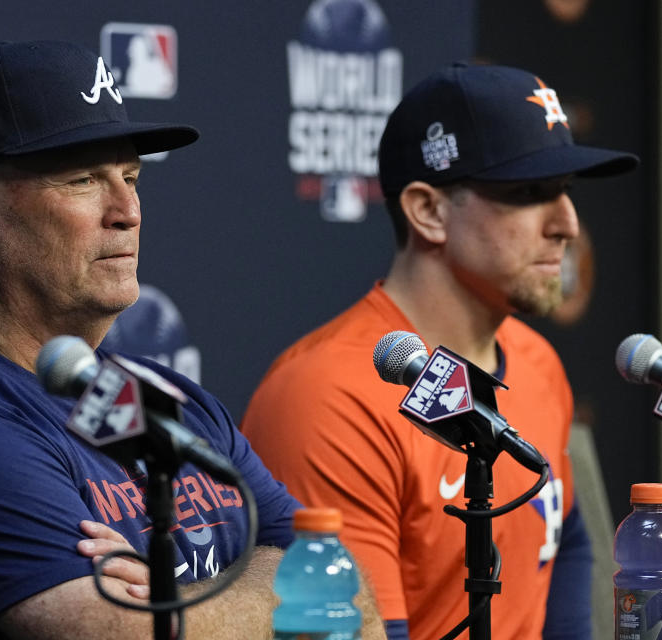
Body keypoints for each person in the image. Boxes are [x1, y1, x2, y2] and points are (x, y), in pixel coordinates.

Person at [0, 40, 384, 640]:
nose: (127, 209)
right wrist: (270, 587)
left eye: (130, 176)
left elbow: (350, 598)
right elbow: (121, 635)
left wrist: (172, 599)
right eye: (81, 179)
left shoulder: (173, 399)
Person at [241, 62, 639, 640]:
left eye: (566, 192)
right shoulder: (327, 397)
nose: (569, 224)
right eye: (529, 192)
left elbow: (565, 536)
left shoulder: (535, 361)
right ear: (428, 210)